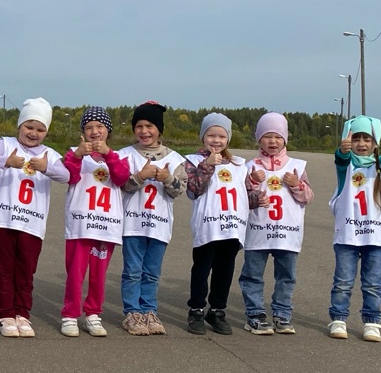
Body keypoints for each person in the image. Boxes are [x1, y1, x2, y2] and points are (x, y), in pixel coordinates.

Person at [0, 98, 69, 338]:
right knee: (3, 268)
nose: (34, 133)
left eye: (40, 129)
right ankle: (6, 314)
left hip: (32, 222)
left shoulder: (49, 154)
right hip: (4, 219)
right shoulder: (6, 144)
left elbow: (66, 175)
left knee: (25, 270)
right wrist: (6, 161)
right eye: (29, 127)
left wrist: (46, 168)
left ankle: (22, 313)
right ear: (19, 126)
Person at [59, 106, 131, 338]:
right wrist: (79, 155)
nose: (94, 131)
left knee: (99, 275)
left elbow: (121, 178)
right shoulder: (73, 153)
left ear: (107, 131)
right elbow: (69, 175)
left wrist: (108, 154)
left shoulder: (118, 156)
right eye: (89, 127)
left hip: (105, 226)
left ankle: (93, 314)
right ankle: (70, 314)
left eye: (100, 127)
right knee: (75, 273)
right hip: (80, 226)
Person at [239, 112, 313, 336]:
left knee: (286, 275)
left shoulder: (296, 167)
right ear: (259, 139)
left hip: (287, 232)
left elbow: (308, 197)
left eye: (278, 137)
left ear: (285, 139)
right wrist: (252, 185)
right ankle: (255, 314)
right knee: (252, 274)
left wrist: (296, 184)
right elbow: (240, 198)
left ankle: (282, 313)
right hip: (258, 231)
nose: (272, 142)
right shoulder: (249, 166)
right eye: (267, 136)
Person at [327, 116, 381, 342]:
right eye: (355, 138)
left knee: (372, 283)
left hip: (375, 237)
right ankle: (338, 318)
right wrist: (343, 150)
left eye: (366, 139)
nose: (361, 143)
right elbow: (341, 159)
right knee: (343, 281)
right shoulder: (346, 166)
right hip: (348, 235)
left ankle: (372, 322)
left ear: (375, 142)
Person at [117, 101, 186, 336]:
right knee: (133, 271)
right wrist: (139, 176)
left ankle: (149, 310)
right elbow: (122, 185)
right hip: (133, 223)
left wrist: (167, 178)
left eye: (149, 126)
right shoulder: (125, 155)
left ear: (159, 129)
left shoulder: (175, 159)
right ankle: (132, 312)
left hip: (159, 224)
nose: (144, 131)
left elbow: (179, 190)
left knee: (152, 272)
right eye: (139, 126)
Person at [183, 113, 250, 336]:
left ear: (228, 138)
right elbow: (194, 188)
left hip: (232, 227)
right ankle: (196, 309)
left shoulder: (239, 164)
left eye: (221, 136)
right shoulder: (193, 161)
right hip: (208, 227)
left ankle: (218, 310)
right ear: (203, 137)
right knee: (202, 269)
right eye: (211, 135)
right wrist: (207, 166)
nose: (216, 140)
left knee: (225, 270)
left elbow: (246, 195)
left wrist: (259, 196)